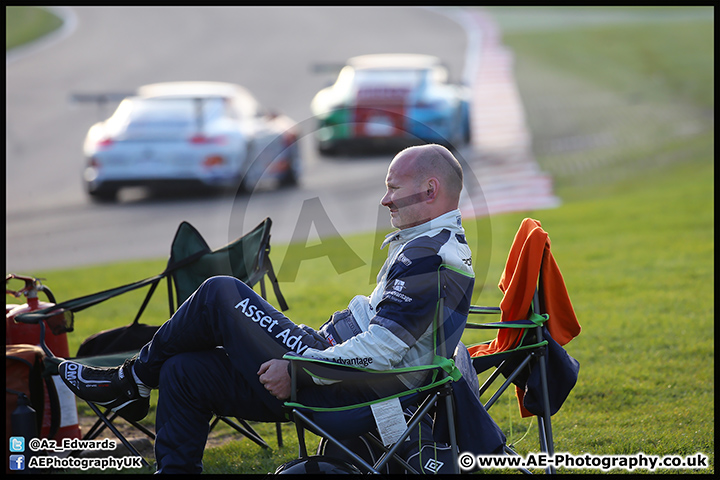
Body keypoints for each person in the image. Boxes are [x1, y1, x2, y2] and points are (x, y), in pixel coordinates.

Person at [58, 143, 475, 473]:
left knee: (220, 292)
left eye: (393, 188)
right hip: (341, 380)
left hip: (347, 395)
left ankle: (130, 381)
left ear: (430, 190)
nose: (386, 199)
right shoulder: (429, 246)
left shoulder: (430, 257)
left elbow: (382, 351)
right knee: (184, 371)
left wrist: (299, 367)